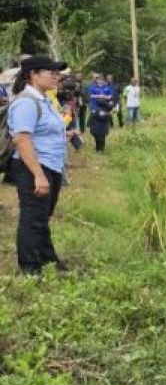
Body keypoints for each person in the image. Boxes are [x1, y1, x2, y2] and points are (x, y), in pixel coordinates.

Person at [7, 55, 72, 274]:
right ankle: (30, 269)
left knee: (42, 217)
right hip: (34, 167)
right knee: (33, 219)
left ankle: (47, 259)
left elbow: (43, 131)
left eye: (57, 73)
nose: (56, 77)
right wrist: (38, 175)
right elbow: (22, 140)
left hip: (50, 166)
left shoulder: (44, 99)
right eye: (51, 72)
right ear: (33, 75)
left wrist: (66, 134)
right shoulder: (27, 102)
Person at [87, 73, 114, 151]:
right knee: (94, 127)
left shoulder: (107, 87)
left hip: (105, 108)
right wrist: (99, 96)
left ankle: (102, 147)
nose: (100, 81)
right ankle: (97, 144)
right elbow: (90, 96)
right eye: (99, 80)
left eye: (102, 80)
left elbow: (110, 96)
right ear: (97, 80)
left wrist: (105, 97)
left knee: (104, 126)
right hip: (95, 108)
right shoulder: (93, 87)